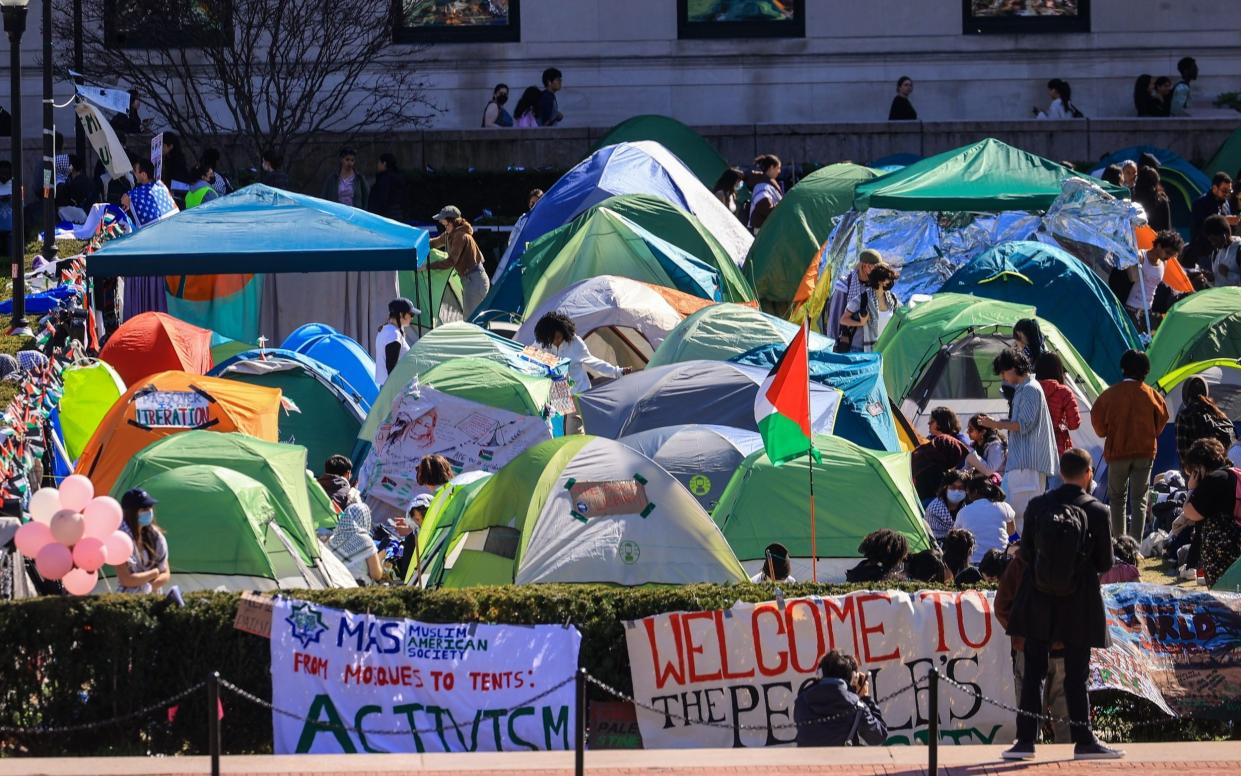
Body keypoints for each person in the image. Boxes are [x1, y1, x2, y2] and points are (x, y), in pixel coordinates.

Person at [1003, 448, 1122, 761]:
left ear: (1060, 473)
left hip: (1038, 600)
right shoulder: (1098, 510)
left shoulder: (1039, 505)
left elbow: (1025, 553)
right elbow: (1105, 561)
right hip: (1079, 603)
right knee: (1076, 675)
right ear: (1087, 474)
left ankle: (1025, 741)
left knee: (1034, 673)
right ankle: (1084, 741)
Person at [994, 549, 1071, 746]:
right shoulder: (1071, 556)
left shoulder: (1021, 561)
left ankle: (1029, 750)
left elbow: (1001, 606)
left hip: (1028, 649)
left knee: (1029, 719)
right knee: (1066, 722)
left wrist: (1021, 634)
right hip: (1064, 648)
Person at [975, 349, 1059, 527]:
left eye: (1003, 373)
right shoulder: (1026, 388)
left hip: (1027, 464)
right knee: (1019, 514)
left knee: (1021, 515)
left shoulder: (1029, 389)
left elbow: (1024, 425)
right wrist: (997, 423)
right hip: (1024, 464)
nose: (1003, 378)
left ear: (1013, 368)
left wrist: (996, 424)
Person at [1090, 350, 1169, 539]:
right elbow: (1163, 418)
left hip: (1117, 452)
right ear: (1145, 371)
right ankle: (1136, 545)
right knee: (1139, 499)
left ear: (1123, 369)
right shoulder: (1152, 395)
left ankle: (1120, 542)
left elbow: (1097, 421)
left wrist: (1107, 432)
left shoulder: (1110, 395)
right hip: (1145, 452)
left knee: (1117, 499)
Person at [1170, 438, 1241, 586]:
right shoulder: (1233, 473)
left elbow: (1191, 512)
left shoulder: (1213, 480)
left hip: (1225, 552)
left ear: (1199, 467)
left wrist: (1191, 488)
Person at [794, 651, 888, 747]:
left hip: (807, 760)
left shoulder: (802, 700)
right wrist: (866, 697)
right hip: (844, 760)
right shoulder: (856, 705)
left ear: (820, 674)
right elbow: (878, 737)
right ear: (853, 677)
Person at [533, 311, 628, 395]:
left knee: (579, 415)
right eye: (551, 339)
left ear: (564, 331)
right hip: (559, 392)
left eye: (558, 337)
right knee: (560, 414)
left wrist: (617, 371)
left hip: (580, 391)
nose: (556, 341)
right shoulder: (542, 343)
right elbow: (529, 355)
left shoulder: (575, 342)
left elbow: (593, 362)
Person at [428, 205, 490, 317]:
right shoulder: (450, 233)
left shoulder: (460, 236)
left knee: (471, 320)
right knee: (470, 319)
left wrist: (428, 266)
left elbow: (451, 261)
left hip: (475, 281)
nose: (442, 224)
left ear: (452, 221)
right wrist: (416, 243)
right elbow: (434, 243)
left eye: (444, 222)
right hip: (470, 280)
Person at [116, 488, 171, 594]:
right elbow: (126, 579)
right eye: (144, 508)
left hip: (153, 597)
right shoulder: (120, 538)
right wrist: (154, 573)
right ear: (131, 512)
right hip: (127, 599)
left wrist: (145, 588)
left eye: (150, 507)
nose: (149, 511)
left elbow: (166, 573)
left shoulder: (155, 535)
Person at [910, 406, 970, 503]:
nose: (928, 424)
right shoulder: (929, 440)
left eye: (932, 421)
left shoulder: (958, 443)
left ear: (942, 422)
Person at [952, 474, 1016, 564]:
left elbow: (956, 539)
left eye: (968, 492)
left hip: (974, 563)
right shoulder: (1004, 506)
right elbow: (1011, 531)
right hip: (1001, 562)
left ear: (975, 492)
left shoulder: (963, 512)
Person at [829, 249, 882, 353]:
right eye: (875, 267)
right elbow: (835, 318)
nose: (878, 271)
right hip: (849, 346)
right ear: (865, 266)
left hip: (870, 346)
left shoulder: (876, 285)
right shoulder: (845, 285)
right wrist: (832, 345)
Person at [838, 263, 899, 352]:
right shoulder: (862, 299)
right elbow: (843, 320)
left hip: (882, 348)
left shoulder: (892, 299)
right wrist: (860, 323)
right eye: (888, 279)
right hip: (860, 350)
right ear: (879, 281)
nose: (891, 282)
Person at [1175, 375, 1234, 464]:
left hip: (1197, 468)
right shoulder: (1216, 412)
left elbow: (1182, 450)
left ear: (1186, 393)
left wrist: (1190, 472)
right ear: (1205, 391)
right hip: (1219, 465)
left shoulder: (1184, 415)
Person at [1035, 353, 1080, 457]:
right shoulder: (1064, 392)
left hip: (1034, 447)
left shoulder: (1030, 390)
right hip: (1058, 447)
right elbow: (1074, 424)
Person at [327, 502, 383, 584]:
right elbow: (376, 575)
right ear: (365, 519)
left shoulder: (333, 538)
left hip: (332, 583)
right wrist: (380, 557)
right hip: (355, 586)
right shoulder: (365, 541)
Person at [374, 297, 415, 386]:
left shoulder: (384, 330)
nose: (412, 318)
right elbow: (391, 370)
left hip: (387, 387)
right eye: (411, 314)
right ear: (401, 314)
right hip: (394, 390)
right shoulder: (394, 334)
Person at [924, 469, 967, 542]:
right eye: (953, 487)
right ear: (946, 487)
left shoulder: (964, 506)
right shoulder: (935, 509)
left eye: (961, 488)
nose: (957, 491)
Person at [1190, 172, 1235, 242]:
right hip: (1203, 248)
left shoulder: (1226, 203)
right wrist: (1223, 221)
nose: (1227, 194)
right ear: (1214, 188)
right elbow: (1200, 230)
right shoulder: (1200, 203)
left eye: (1229, 191)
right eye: (1224, 190)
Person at [748, 154, 783, 232]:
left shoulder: (768, 183)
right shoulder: (763, 186)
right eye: (778, 168)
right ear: (771, 167)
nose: (779, 171)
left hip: (768, 229)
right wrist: (784, 205)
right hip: (762, 230)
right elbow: (766, 210)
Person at [368, 153, 407, 222]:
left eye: (379, 162)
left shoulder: (384, 179)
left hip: (386, 216)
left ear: (384, 163)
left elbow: (381, 199)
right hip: (398, 214)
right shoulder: (399, 177)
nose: (378, 165)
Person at [1204, 214, 1241, 286]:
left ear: (1225, 235)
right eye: (1211, 241)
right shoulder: (1215, 252)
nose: (1213, 244)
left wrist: (1229, 274)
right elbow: (1217, 285)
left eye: (1214, 240)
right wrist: (1211, 280)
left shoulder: (1239, 250)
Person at [1132, 166, 1171, 233]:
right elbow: (1167, 227)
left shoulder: (1134, 200)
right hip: (1158, 240)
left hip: (1139, 240)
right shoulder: (1162, 200)